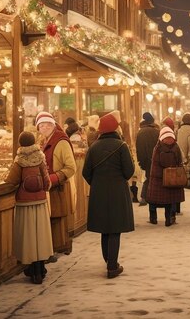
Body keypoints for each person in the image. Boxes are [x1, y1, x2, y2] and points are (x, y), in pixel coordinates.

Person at [83, 112, 135, 279]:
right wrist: (118, 180)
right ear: (115, 128)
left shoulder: (93, 147)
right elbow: (129, 171)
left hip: (99, 191)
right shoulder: (121, 146)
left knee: (105, 229)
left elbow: (86, 172)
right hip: (118, 191)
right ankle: (112, 266)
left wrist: (97, 183)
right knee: (115, 229)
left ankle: (108, 261)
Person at [5, 131, 52, 284]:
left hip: (24, 203)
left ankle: (32, 269)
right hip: (39, 202)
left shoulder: (19, 160)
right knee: (40, 235)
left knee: (29, 236)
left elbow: (11, 181)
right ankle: (40, 269)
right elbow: (46, 182)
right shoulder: (40, 157)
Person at [36, 111, 76, 257]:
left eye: (47, 124)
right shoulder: (44, 141)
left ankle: (57, 249)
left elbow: (71, 167)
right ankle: (53, 249)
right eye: (41, 125)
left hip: (57, 188)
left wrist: (52, 178)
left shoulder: (61, 141)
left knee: (56, 220)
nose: (44, 127)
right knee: (51, 220)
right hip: (48, 188)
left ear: (53, 125)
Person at [146, 127, 185, 226]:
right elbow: (180, 162)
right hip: (172, 178)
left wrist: (155, 176)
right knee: (170, 200)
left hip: (158, 177)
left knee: (152, 199)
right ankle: (169, 219)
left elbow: (154, 164)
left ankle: (153, 218)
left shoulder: (158, 148)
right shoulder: (176, 147)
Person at [136, 112, 159, 207]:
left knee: (148, 177)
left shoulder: (140, 132)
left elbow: (139, 149)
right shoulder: (156, 131)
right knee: (154, 178)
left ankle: (144, 197)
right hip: (156, 159)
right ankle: (149, 197)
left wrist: (140, 161)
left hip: (146, 160)